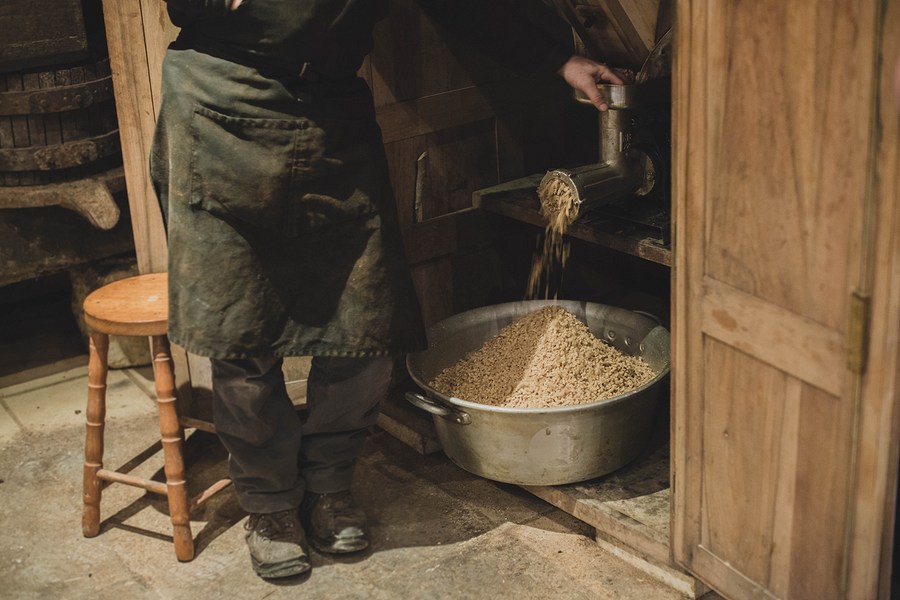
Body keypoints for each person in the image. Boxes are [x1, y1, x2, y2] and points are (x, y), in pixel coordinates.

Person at [151, 0, 622, 580]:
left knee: (365, 329)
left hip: (331, 118)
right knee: (241, 334)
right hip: (221, 107)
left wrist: (559, 58)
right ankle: (270, 505)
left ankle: (328, 484)